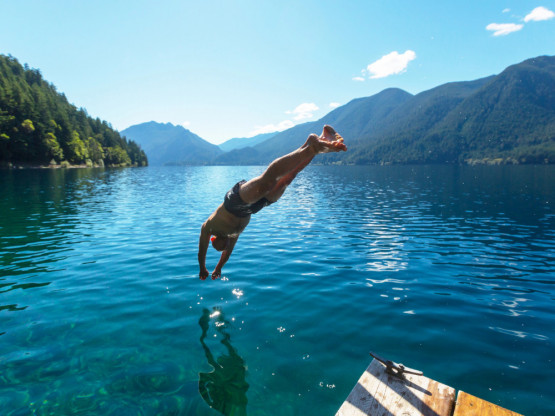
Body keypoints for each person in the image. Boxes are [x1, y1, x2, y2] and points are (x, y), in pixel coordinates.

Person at [198, 125, 346, 280]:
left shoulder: (210, 227)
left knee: (267, 182)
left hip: (235, 202)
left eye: (221, 247)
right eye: (224, 248)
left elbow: (202, 248)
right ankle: (315, 143)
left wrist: (202, 268)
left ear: (213, 238)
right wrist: (218, 269)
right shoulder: (232, 236)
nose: (225, 248)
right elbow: (227, 254)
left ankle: (312, 147)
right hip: (253, 208)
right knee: (287, 179)